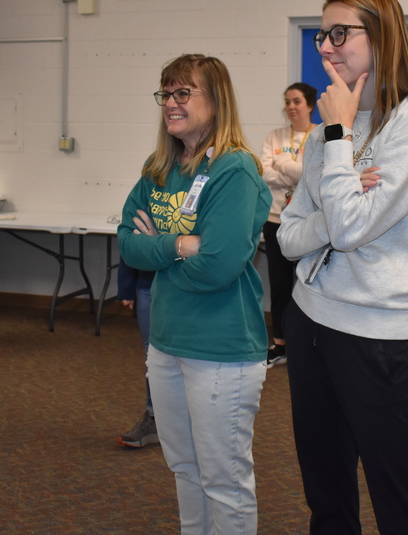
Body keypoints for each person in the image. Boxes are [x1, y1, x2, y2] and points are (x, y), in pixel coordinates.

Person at [277, 0, 408, 534]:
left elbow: (353, 228)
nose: (327, 47)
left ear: (382, 37)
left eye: (341, 33)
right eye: (321, 35)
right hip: (309, 318)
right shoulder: (324, 133)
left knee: (397, 499)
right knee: (327, 494)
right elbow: (289, 239)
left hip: (377, 332)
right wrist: (344, 189)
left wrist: (335, 137)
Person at [118, 54, 271, 534]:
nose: (171, 103)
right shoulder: (160, 168)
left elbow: (220, 266)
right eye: (166, 93)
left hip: (221, 347)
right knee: (184, 469)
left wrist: (158, 251)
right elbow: (126, 243)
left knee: (224, 479)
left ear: (216, 100)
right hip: (166, 343)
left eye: (184, 93)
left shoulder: (235, 169)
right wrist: (181, 245)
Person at [259, 82, 318, 368]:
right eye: (287, 102)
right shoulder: (275, 135)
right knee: (280, 286)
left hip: (309, 224)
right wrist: (296, 174)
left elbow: (315, 175)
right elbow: (263, 173)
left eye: (297, 101)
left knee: (309, 285)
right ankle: (280, 344)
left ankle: (309, 345)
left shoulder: (319, 135)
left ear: (310, 105)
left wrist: (283, 165)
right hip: (275, 221)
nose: (291, 107)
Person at [115, 256, 158, 448]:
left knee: (189, 356)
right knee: (152, 356)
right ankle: (154, 418)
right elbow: (131, 238)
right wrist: (127, 284)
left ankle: (190, 424)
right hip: (148, 284)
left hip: (189, 285)